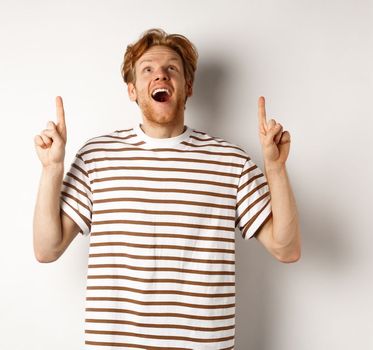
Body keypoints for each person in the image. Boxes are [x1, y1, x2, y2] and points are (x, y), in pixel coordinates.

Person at [32, 28, 301, 349]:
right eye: (147, 69)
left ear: (188, 86)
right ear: (132, 89)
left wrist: (275, 168)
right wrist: (52, 169)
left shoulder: (231, 161)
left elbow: (286, 249)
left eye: (171, 68)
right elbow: (47, 249)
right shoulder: (97, 156)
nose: (160, 75)